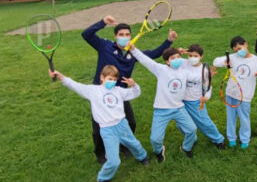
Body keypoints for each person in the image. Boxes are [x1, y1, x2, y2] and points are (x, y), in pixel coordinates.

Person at [81, 15, 177, 164]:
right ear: (115, 36)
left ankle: (124, 147)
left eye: (127, 35)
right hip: (100, 92)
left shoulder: (133, 52)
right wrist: (102, 23)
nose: (124, 37)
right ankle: (101, 153)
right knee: (99, 125)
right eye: (121, 35)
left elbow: (154, 54)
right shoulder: (104, 46)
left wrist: (169, 41)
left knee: (130, 122)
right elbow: (86, 35)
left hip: (120, 94)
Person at [49, 65, 149, 182]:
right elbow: (75, 85)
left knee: (134, 144)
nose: (112, 82)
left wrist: (134, 85)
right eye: (109, 79)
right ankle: (103, 178)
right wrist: (60, 76)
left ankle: (143, 157)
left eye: (114, 80)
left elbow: (135, 93)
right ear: (102, 78)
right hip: (107, 130)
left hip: (122, 125)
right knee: (114, 161)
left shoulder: (118, 91)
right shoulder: (93, 91)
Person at [130, 45, 197, 162]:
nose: (176, 60)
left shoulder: (185, 71)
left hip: (179, 108)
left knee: (192, 130)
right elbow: (145, 60)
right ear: (167, 61)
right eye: (172, 58)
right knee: (155, 139)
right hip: (161, 110)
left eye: (178, 57)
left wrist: (208, 74)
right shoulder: (161, 70)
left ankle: (186, 148)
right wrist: (133, 50)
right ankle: (159, 151)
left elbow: (197, 75)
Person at [213, 36, 257, 149]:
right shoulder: (233, 57)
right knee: (231, 117)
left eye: (240, 48)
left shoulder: (255, 60)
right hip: (231, 93)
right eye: (236, 50)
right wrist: (224, 62)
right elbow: (215, 62)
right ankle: (231, 138)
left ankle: (244, 139)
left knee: (244, 118)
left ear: (246, 44)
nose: (238, 51)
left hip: (245, 95)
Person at [181, 44, 225, 149]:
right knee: (182, 123)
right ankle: (192, 138)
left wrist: (207, 97)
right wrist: (180, 51)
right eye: (190, 55)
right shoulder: (183, 63)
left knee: (204, 122)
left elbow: (208, 86)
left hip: (196, 101)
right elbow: (170, 56)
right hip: (180, 101)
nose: (192, 58)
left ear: (201, 56)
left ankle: (218, 140)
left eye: (195, 56)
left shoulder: (204, 70)